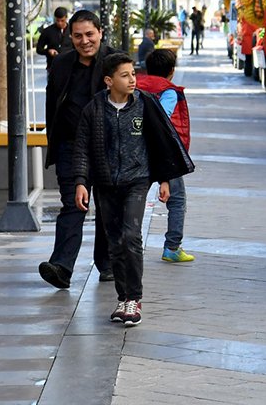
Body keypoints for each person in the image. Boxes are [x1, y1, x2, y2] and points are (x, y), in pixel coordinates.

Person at [72, 52, 193, 326]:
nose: (132, 80)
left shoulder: (145, 104)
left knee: (130, 235)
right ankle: (122, 298)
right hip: (105, 183)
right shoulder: (94, 109)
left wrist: (164, 179)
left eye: (133, 74)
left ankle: (134, 299)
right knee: (114, 242)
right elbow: (82, 149)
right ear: (108, 80)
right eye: (124, 75)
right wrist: (81, 182)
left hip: (138, 181)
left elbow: (162, 142)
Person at [39, 10, 114, 289]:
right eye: (78, 35)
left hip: (107, 146)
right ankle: (61, 266)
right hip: (71, 147)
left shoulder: (114, 62)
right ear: (71, 36)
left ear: (100, 33)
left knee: (107, 206)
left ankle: (107, 264)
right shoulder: (61, 65)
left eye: (89, 34)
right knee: (73, 203)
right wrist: (54, 146)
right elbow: (52, 107)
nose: (85, 41)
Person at [139, 48, 195, 263]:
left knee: (135, 198)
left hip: (137, 151)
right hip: (164, 153)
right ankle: (172, 247)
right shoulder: (168, 91)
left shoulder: (137, 85)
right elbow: (162, 121)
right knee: (177, 199)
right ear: (172, 71)